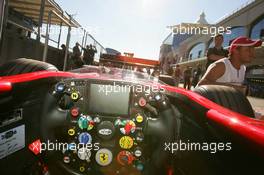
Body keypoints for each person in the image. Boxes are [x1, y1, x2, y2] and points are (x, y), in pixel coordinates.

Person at [197, 36, 262, 94]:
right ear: (236, 50)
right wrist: (233, 88)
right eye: (248, 50)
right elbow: (201, 85)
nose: (252, 54)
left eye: (253, 50)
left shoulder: (243, 68)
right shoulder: (221, 65)